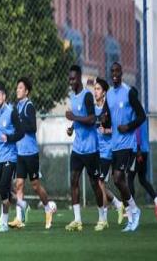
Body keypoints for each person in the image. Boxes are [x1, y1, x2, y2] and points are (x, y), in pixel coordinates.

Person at [8, 77, 56, 230]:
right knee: (19, 185)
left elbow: (32, 127)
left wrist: (20, 124)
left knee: (35, 186)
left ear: (26, 91)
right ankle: (18, 218)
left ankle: (48, 208)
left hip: (31, 153)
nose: (17, 90)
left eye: (20, 88)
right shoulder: (16, 107)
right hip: (20, 153)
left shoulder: (29, 106)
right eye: (17, 88)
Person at [106, 62, 146, 232]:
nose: (114, 74)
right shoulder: (109, 94)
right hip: (114, 145)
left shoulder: (128, 92)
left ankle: (135, 211)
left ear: (121, 73)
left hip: (127, 144)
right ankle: (130, 219)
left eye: (117, 71)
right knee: (119, 182)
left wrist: (128, 127)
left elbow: (142, 116)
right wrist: (104, 121)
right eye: (112, 71)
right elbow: (109, 119)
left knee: (117, 178)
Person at [64, 65, 104, 232]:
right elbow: (79, 119)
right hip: (78, 148)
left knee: (94, 184)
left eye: (73, 78)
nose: (71, 81)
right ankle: (77, 220)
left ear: (79, 77)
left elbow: (92, 119)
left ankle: (102, 218)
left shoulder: (87, 96)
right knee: (73, 181)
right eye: (69, 79)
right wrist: (72, 127)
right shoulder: (72, 96)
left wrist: (74, 117)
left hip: (90, 148)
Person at [0, 81, 24, 232]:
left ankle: (4, 222)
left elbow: (21, 133)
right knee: (3, 191)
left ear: (4, 97)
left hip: (11, 156)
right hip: (0, 157)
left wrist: (8, 138)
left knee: (4, 186)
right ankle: (22, 205)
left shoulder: (12, 112)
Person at [92, 77, 124, 229]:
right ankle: (118, 204)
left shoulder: (108, 109)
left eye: (98, 89)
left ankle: (103, 219)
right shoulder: (93, 109)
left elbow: (116, 128)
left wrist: (106, 130)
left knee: (100, 183)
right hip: (95, 152)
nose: (95, 91)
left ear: (104, 92)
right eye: (94, 89)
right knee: (98, 185)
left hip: (107, 151)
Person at [128, 114, 157, 218]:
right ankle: (156, 199)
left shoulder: (135, 113)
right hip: (145, 150)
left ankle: (132, 208)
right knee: (142, 179)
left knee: (130, 178)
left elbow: (137, 131)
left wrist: (138, 150)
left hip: (137, 151)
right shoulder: (142, 112)